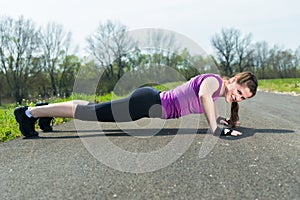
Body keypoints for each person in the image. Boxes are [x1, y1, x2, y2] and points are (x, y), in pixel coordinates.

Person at [14, 72, 258, 138]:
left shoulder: (217, 90)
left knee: (92, 108)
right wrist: (215, 129)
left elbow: (206, 101)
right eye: (239, 91)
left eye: (242, 98)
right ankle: (28, 113)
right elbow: (204, 97)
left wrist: (217, 120)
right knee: (90, 112)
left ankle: (43, 110)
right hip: (146, 103)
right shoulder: (214, 82)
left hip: (148, 101)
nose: (237, 98)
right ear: (233, 80)